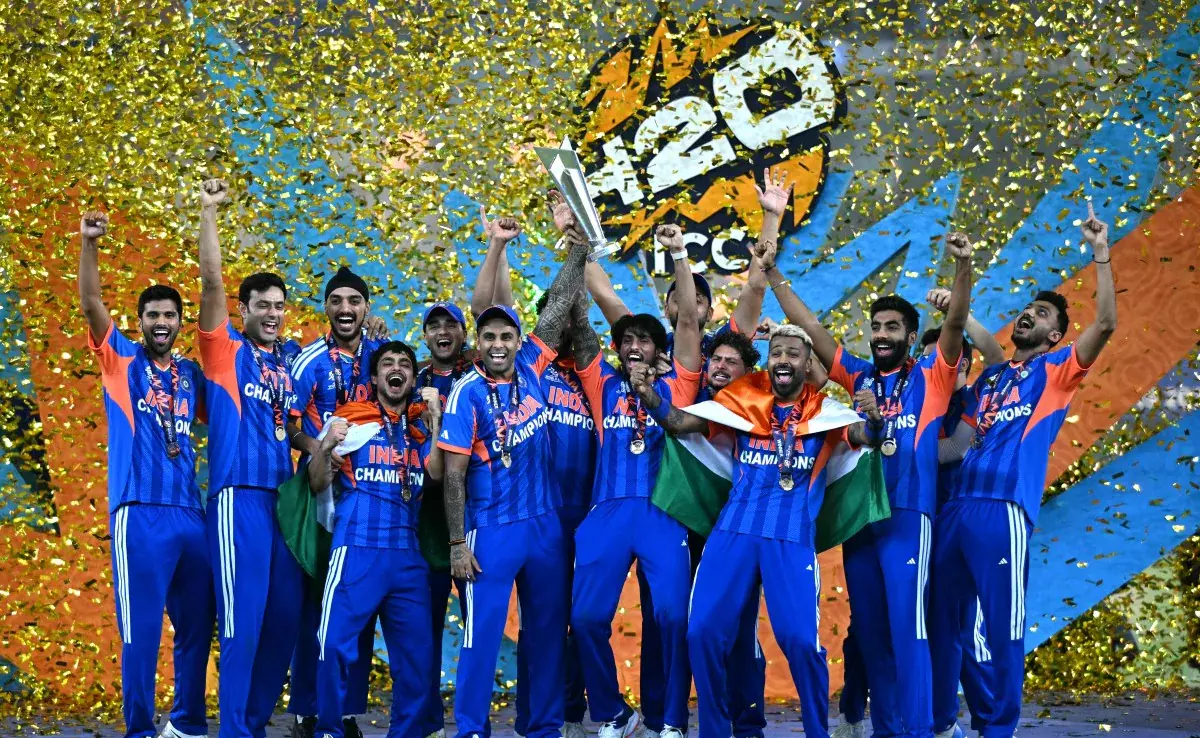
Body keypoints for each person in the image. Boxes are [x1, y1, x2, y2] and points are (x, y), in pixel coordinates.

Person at [771, 231, 976, 738]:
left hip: (907, 516)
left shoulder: (932, 375)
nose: (882, 334)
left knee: (909, 631)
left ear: (911, 335)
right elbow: (810, 327)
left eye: (892, 327)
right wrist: (772, 272)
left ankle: (919, 730)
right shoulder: (859, 376)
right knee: (872, 634)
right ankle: (887, 729)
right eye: (876, 326)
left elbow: (954, 323)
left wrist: (963, 266)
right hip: (861, 522)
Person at [633, 324, 880, 738]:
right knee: (702, 633)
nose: (783, 359)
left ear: (807, 364)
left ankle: (817, 733)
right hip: (733, 534)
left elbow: (863, 434)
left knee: (799, 641)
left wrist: (874, 419)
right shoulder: (743, 403)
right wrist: (649, 397)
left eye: (793, 353)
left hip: (790, 539)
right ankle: (715, 732)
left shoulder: (826, 413)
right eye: (777, 352)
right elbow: (679, 422)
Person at [930, 204, 1117, 738]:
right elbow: (955, 446)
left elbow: (1106, 323)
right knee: (942, 622)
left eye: (1042, 314)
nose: (1030, 315)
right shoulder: (990, 381)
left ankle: (999, 729)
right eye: (1028, 309)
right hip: (956, 510)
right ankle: (942, 725)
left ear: (1056, 336)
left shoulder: (1056, 372)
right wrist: (888, 445)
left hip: (1003, 511)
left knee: (1003, 629)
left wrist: (1101, 254)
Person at [438, 222, 592, 738]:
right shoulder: (465, 392)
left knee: (546, 634)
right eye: (489, 336)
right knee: (481, 637)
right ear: (478, 342)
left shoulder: (532, 364)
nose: (499, 344)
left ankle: (542, 727)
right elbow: (453, 477)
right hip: (491, 529)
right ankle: (470, 729)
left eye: (506, 335)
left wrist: (578, 250)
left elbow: (558, 304)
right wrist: (457, 543)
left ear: (518, 341)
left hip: (545, 527)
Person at [834, 292, 1003, 738]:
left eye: (945, 358)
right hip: (885, 517)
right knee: (868, 631)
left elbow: (955, 448)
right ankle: (864, 720)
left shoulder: (965, 395)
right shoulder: (896, 385)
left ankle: (944, 724)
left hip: (938, 522)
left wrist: (912, 447)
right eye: (876, 326)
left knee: (944, 631)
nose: (936, 363)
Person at [78, 211, 213, 738]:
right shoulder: (120, 360)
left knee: (197, 625)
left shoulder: (192, 375)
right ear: (139, 322)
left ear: (180, 323)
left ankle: (186, 724)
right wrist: (89, 243)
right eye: (153, 314)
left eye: (170, 315)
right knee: (140, 632)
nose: (162, 322)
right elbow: (91, 303)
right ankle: (139, 730)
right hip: (139, 514)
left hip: (191, 516)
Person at [567, 224, 703, 738]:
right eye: (627, 339)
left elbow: (687, 318)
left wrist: (678, 254)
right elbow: (582, 317)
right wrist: (575, 248)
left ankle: (671, 721)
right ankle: (614, 714)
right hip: (606, 512)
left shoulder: (679, 384)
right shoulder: (601, 381)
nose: (634, 345)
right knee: (585, 619)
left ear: (659, 348)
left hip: (662, 513)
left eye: (644, 339)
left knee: (671, 617)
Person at [196, 178, 304, 738]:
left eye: (279, 306)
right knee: (241, 623)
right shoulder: (225, 351)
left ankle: (254, 723)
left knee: (285, 619)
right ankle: (235, 730)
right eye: (262, 305)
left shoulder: (289, 359)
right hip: (237, 498)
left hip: (283, 503)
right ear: (243, 309)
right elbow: (211, 281)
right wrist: (209, 212)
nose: (272, 313)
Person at [419, 206, 522, 738]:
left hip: (477, 516)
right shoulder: (407, 374)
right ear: (424, 335)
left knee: (476, 623)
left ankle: (473, 724)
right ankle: (428, 722)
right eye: (433, 325)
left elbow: (494, 307)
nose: (443, 331)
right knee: (424, 622)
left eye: (450, 324)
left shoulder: (478, 372)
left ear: (466, 336)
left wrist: (496, 246)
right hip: (423, 517)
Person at [309, 340, 446, 738]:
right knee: (333, 644)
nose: (396, 368)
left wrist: (437, 421)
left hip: (407, 556)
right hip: (356, 548)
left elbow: (437, 476)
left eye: (404, 363)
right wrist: (326, 446)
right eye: (387, 363)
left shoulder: (421, 428)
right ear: (374, 376)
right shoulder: (352, 419)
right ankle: (329, 730)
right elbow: (317, 482)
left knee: (418, 661)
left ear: (412, 378)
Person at [285, 267, 389, 738]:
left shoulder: (379, 356)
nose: (346, 309)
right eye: (337, 301)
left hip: (368, 496)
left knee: (358, 605)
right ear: (326, 307)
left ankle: (345, 712)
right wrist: (321, 449)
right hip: (321, 494)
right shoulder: (308, 360)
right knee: (316, 604)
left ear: (366, 307)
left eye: (355, 301)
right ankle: (306, 710)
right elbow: (287, 423)